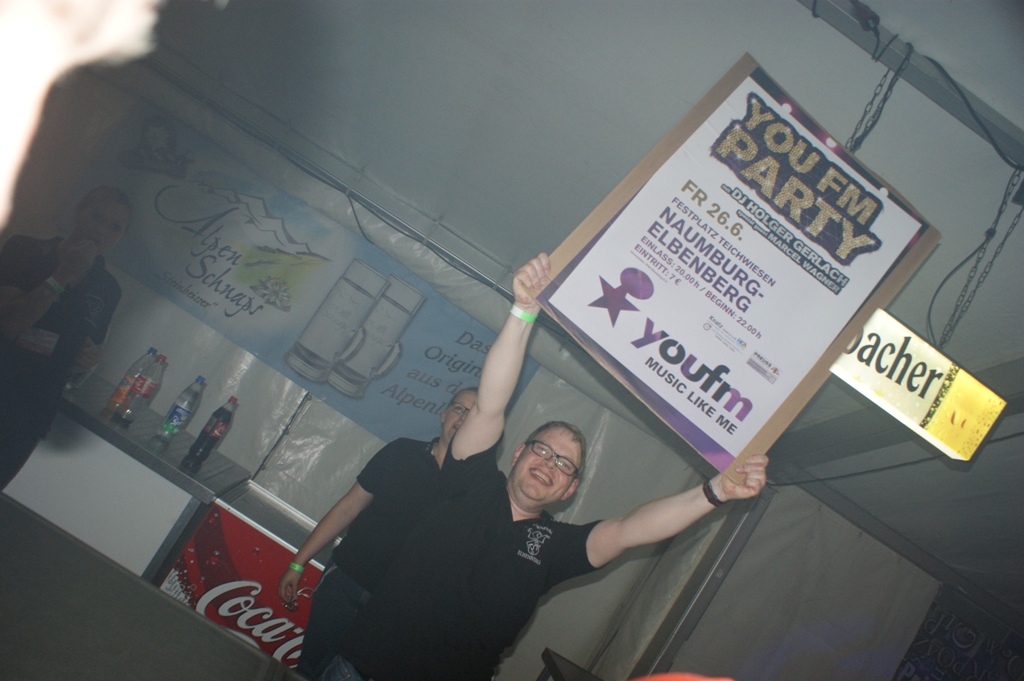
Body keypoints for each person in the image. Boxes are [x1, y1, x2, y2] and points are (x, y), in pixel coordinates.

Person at [320, 253, 770, 681]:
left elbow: (631, 530)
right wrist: (523, 312)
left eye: (565, 465)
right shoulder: (470, 480)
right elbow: (490, 405)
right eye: (543, 450)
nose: (550, 464)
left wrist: (716, 493)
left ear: (569, 490)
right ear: (517, 453)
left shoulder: (556, 546)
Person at [278, 387, 478, 679]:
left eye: (473, 415)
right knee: (309, 669)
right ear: (444, 414)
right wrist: (298, 563)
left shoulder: (475, 489)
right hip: (344, 581)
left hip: (392, 610)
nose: (462, 419)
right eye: (459, 409)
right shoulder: (401, 451)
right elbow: (347, 508)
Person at [0, 185, 131, 489]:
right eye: (97, 217)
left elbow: (79, 352)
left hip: (31, 409)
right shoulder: (25, 249)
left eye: (115, 227)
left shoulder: (108, 288)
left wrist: (87, 359)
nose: (101, 230)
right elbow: (9, 324)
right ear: (78, 212)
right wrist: (63, 275)